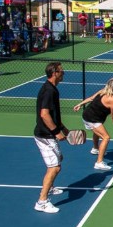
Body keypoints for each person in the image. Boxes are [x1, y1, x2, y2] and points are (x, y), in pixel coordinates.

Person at [33, 62, 69, 214]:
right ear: (54, 73)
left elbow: (53, 114)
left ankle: (51, 188)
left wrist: (63, 128)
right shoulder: (49, 91)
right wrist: (56, 132)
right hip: (46, 135)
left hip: (48, 133)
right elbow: (44, 114)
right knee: (55, 167)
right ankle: (42, 201)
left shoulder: (52, 89)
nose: (64, 73)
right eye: (61, 71)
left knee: (58, 161)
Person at [73, 78, 113, 171]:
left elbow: (91, 98)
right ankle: (99, 162)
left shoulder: (103, 91)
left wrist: (80, 104)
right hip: (92, 119)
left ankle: (95, 148)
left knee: (97, 132)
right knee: (106, 137)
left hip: (87, 115)